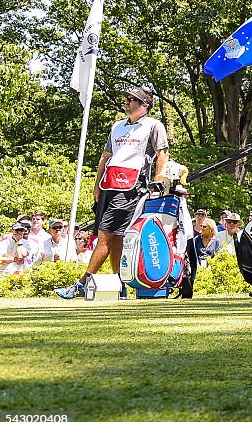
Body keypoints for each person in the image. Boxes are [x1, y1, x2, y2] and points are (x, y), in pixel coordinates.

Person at [56, 85, 168, 299]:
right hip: (109, 184)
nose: (127, 102)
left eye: (132, 99)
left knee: (104, 236)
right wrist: (97, 185)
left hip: (132, 185)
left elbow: (162, 155)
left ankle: (83, 283)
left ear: (145, 105)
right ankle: (120, 285)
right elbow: (105, 157)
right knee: (115, 237)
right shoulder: (117, 126)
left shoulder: (154, 126)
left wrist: (158, 182)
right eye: (127, 98)